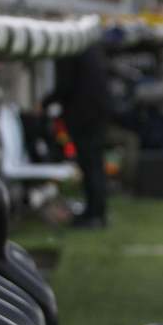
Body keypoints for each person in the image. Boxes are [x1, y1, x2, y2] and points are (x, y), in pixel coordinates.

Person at [42, 44, 111, 228]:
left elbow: (65, 85)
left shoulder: (69, 50)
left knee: (90, 165)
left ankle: (93, 214)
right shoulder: (89, 46)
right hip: (97, 111)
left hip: (84, 115)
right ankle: (97, 211)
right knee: (95, 164)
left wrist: (45, 103)